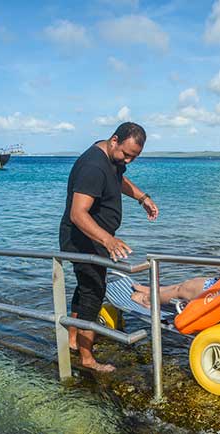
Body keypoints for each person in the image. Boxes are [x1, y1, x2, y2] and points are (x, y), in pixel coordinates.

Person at [59, 122, 158, 372]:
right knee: (93, 292)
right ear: (114, 140)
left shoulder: (110, 158)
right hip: (84, 239)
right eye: (126, 154)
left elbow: (119, 179)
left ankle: (73, 339)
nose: (128, 161)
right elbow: (77, 214)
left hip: (93, 238)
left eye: (134, 157)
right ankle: (87, 359)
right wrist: (108, 240)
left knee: (85, 288)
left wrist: (142, 197)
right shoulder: (93, 166)